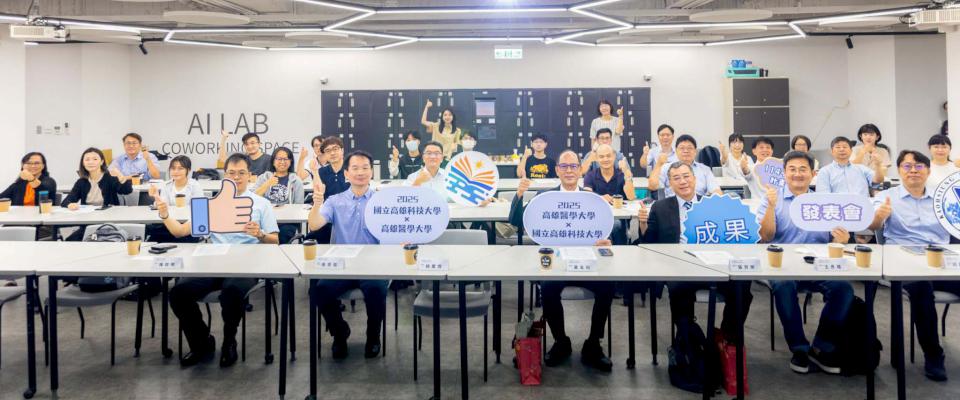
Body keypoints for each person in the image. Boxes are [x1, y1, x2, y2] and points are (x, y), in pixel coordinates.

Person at [158, 153, 279, 368]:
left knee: (231, 293)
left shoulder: (261, 204)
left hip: (246, 264)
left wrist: (260, 234)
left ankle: (229, 342)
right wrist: (165, 214)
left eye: (241, 173)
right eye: (231, 173)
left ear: (250, 175)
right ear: (225, 175)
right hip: (212, 263)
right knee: (178, 293)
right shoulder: (209, 204)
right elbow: (179, 232)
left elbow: (275, 240)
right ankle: (202, 342)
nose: (236, 177)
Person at [508, 150, 614, 371]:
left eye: (573, 166)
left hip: (587, 262)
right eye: (564, 166)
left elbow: (604, 232)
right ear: (557, 170)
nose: (569, 171)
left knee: (607, 287)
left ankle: (593, 344)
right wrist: (519, 194)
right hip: (555, 263)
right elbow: (517, 221)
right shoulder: (545, 199)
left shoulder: (592, 200)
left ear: (580, 169)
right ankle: (561, 341)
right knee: (548, 288)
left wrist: (605, 242)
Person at [757, 151, 854, 375]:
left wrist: (841, 240)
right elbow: (766, 236)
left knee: (843, 289)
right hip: (782, 265)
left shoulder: (825, 203)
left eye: (803, 169)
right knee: (783, 286)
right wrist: (770, 207)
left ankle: (821, 347)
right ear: (784, 173)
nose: (797, 174)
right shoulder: (772, 198)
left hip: (818, 265)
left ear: (813, 174)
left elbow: (834, 241)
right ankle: (799, 348)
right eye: (792, 169)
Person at [638, 161, 753, 346]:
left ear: (695, 178)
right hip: (679, 266)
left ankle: (726, 337)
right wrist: (643, 224)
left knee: (742, 286)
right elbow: (648, 243)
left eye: (686, 176)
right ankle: (692, 338)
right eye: (676, 178)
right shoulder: (660, 207)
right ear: (670, 183)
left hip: (713, 264)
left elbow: (727, 238)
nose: (683, 181)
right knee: (678, 289)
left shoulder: (712, 204)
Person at [869, 150, 950, 381]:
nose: (913, 170)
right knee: (922, 290)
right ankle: (934, 355)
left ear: (928, 171)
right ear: (899, 171)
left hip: (942, 261)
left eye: (919, 166)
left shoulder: (943, 197)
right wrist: (880, 217)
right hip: (904, 262)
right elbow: (873, 226)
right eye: (907, 166)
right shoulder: (887, 196)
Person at [307, 150, 387, 359]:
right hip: (341, 264)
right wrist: (317, 203)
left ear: (371, 172)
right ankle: (339, 332)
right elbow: (314, 224)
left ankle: (373, 336)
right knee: (319, 290)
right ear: (346, 174)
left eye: (365, 168)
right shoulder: (335, 201)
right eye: (355, 168)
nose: (360, 172)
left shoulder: (382, 201)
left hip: (372, 265)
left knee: (377, 290)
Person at [146, 155, 204, 244]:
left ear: (188, 170)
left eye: (180, 168)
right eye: (173, 168)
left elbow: (198, 210)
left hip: (187, 224)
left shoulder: (195, 185)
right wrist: (156, 198)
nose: (176, 171)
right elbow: (164, 205)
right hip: (169, 223)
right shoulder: (166, 185)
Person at [255, 147, 305, 244]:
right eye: (279, 159)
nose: (282, 162)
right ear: (273, 161)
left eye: (285, 159)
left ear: (290, 161)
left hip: (287, 221)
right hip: (265, 218)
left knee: (282, 236)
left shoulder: (296, 181)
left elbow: (299, 206)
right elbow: (253, 199)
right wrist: (267, 184)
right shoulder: (263, 178)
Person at [648, 134, 722, 198]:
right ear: (676, 151)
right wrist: (659, 164)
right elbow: (652, 186)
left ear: (695, 151)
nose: (686, 151)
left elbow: (715, 190)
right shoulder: (667, 167)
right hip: (673, 205)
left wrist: (718, 201)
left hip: (697, 205)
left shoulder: (705, 169)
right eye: (682, 148)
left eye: (689, 148)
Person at [62, 147, 133, 210]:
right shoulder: (81, 182)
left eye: (95, 159)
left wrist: (120, 176)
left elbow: (127, 190)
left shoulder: (110, 177)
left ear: (102, 161)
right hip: (88, 216)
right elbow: (66, 201)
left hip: (108, 215)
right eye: (87, 160)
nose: (91, 162)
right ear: (83, 163)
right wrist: (70, 205)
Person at [310, 137, 350, 244]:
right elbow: (318, 191)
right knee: (315, 235)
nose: (332, 153)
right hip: (328, 214)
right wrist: (314, 172)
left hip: (348, 214)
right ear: (324, 154)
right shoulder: (322, 171)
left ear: (342, 150)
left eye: (335, 149)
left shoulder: (351, 169)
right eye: (328, 151)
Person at [816, 136, 885, 196]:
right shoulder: (824, 171)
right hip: (838, 206)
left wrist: (878, 165)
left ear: (851, 151)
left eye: (845, 147)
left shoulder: (861, 168)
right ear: (832, 151)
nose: (842, 149)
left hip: (861, 205)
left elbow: (878, 180)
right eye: (838, 147)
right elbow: (823, 196)